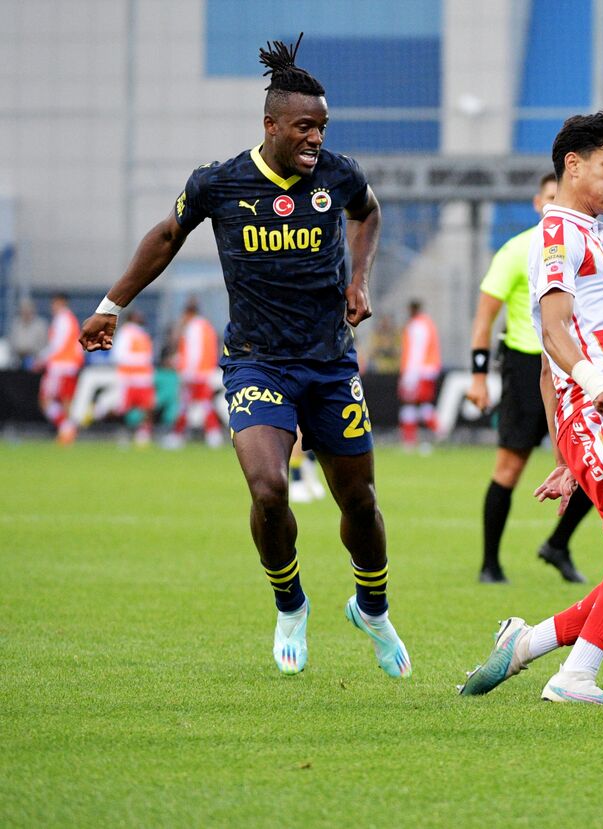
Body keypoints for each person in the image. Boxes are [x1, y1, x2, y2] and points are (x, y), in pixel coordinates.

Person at [78, 35, 410, 679]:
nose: (316, 138)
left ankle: (371, 607)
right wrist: (111, 306)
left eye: (323, 127)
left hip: (330, 363)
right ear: (272, 126)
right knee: (267, 488)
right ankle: (290, 603)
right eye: (305, 127)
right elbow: (168, 234)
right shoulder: (220, 183)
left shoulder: (340, 175)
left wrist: (360, 279)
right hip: (256, 361)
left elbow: (369, 213)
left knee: (360, 502)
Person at [459, 112, 603, 705]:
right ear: (573, 164)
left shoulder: (587, 237)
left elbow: (544, 364)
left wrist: (569, 451)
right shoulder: (558, 235)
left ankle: (530, 643)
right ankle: (575, 676)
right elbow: (556, 334)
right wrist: (592, 389)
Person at [466, 172, 592, 584]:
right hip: (525, 368)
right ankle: (489, 564)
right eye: (551, 197)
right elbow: (484, 319)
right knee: (509, 468)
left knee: (591, 466)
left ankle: (557, 544)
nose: (558, 204)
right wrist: (479, 377)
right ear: (539, 203)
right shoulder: (518, 250)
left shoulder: (582, 248)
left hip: (570, 369)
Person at [165, 299, 223, 449]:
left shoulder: (192, 327)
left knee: (187, 405)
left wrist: (187, 372)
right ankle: (213, 436)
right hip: (206, 371)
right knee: (205, 404)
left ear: (188, 313)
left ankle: (177, 436)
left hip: (195, 374)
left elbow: (194, 353)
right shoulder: (207, 327)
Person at [34, 293, 84, 444]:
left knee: (46, 400)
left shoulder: (62, 319)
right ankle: (67, 430)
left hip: (59, 366)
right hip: (69, 366)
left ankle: (66, 429)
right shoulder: (71, 320)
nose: (52, 307)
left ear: (61, 302)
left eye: (54, 303)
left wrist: (41, 359)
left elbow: (57, 344)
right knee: (65, 400)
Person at [398, 299, 441, 454]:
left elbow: (417, 352)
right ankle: (437, 433)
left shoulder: (416, 326)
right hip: (427, 370)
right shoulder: (426, 323)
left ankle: (411, 441)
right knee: (423, 405)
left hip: (418, 371)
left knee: (411, 405)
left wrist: (410, 375)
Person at [111, 308, 157, 447]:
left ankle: (141, 434)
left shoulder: (142, 334)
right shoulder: (126, 333)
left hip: (141, 377)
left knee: (144, 407)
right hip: (130, 377)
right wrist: (139, 360)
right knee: (127, 407)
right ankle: (126, 433)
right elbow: (119, 356)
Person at [8, 299, 49, 369]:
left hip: (34, 359)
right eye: (24, 310)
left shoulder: (40, 324)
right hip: (18, 359)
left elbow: (44, 344)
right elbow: (11, 342)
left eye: (28, 310)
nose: (26, 312)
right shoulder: (16, 324)